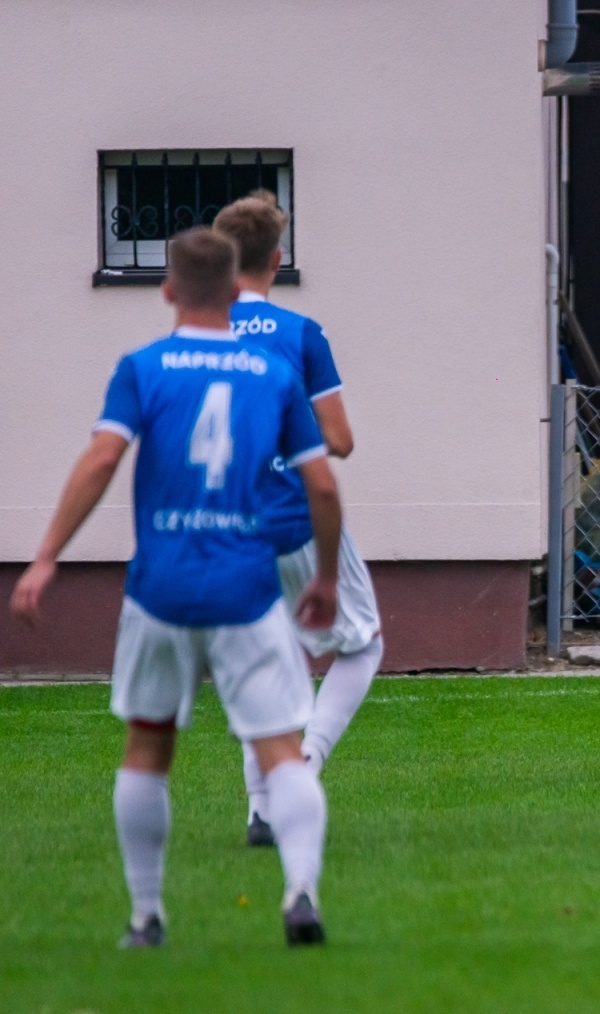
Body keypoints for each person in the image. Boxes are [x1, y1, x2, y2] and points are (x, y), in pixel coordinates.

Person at [8, 228, 341, 946]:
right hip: (247, 589)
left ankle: (146, 916)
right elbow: (322, 485)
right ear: (235, 290)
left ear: (167, 290)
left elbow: (102, 461)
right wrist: (322, 577)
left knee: (149, 746)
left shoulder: (142, 367)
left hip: (159, 590)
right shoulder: (272, 373)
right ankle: (300, 892)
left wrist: (45, 557)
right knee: (281, 748)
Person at [213, 192, 384, 845]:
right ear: (277, 259)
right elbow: (338, 440)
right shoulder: (300, 334)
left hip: (223, 527)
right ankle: (301, 769)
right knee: (362, 644)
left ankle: (260, 808)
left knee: (263, 659)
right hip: (293, 514)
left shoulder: (189, 338)